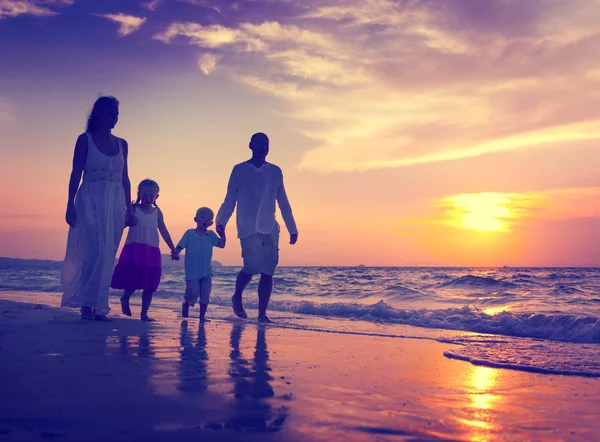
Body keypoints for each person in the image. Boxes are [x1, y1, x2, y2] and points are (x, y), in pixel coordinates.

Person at [61, 95, 136, 321]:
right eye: (110, 112)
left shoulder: (122, 144)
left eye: (117, 114)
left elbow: (125, 178)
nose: (114, 117)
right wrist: (69, 204)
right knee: (92, 251)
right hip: (89, 199)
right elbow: (76, 173)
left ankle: (100, 305)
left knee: (107, 252)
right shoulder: (85, 140)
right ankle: (87, 305)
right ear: (98, 114)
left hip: (115, 202)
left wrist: (129, 208)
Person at [216, 132, 298, 323]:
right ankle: (237, 296)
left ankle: (262, 314)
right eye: (260, 144)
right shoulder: (239, 170)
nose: (263, 147)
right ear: (250, 145)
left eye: (266, 144)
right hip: (248, 226)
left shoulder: (275, 171)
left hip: (270, 227)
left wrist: (292, 228)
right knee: (251, 267)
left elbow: (283, 201)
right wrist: (221, 221)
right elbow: (230, 198)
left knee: (268, 270)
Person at [111, 179, 177, 321]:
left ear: (156, 197)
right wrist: (126, 222)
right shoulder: (133, 209)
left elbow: (163, 230)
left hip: (152, 250)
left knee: (150, 283)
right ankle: (125, 298)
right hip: (134, 248)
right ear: (139, 194)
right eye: (145, 195)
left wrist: (172, 247)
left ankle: (144, 314)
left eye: (151, 196)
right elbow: (121, 225)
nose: (148, 198)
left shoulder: (157, 212)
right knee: (133, 278)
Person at [172, 207, 226, 322]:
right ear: (196, 219)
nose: (205, 220)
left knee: (205, 294)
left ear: (211, 223)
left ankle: (202, 317)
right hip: (192, 271)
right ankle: (186, 305)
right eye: (202, 218)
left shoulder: (211, 235)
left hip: (207, 270)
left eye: (208, 219)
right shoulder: (189, 233)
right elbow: (180, 246)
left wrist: (223, 235)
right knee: (193, 293)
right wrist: (176, 253)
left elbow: (221, 245)